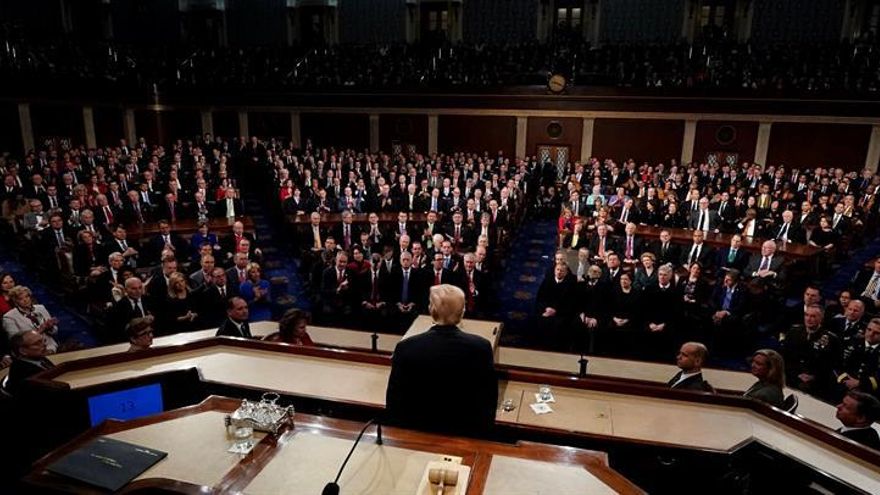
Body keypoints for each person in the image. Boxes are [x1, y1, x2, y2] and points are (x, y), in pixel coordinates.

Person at [385, 284, 498, 437]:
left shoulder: (406, 347)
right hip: (464, 434)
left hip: (415, 433)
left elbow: (394, 401)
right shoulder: (481, 348)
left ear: (431, 310)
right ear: (462, 311)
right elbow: (488, 401)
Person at [3, 286, 59, 353]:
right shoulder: (9, 317)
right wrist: (40, 330)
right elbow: (16, 342)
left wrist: (50, 327)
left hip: (51, 347)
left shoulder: (41, 308)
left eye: (27, 296)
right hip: (30, 352)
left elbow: (55, 331)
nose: (25, 300)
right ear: (15, 301)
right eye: (20, 298)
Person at [5, 330, 55, 397]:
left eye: (43, 340)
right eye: (37, 343)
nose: (44, 344)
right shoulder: (22, 370)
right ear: (23, 351)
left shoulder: (40, 358)